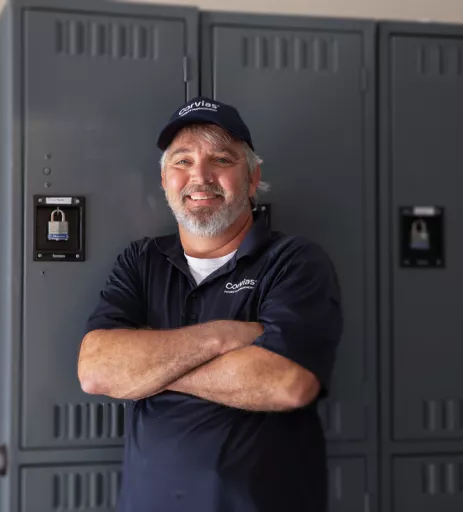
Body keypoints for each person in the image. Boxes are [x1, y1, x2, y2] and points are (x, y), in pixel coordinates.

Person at [77, 96, 343, 512]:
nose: (200, 176)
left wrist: (148, 366)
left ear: (253, 179)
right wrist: (224, 337)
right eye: (182, 162)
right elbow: (95, 370)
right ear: (165, 180)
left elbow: (287, 383)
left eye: (221, 159)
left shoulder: (295, 261)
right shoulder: (142, 260)